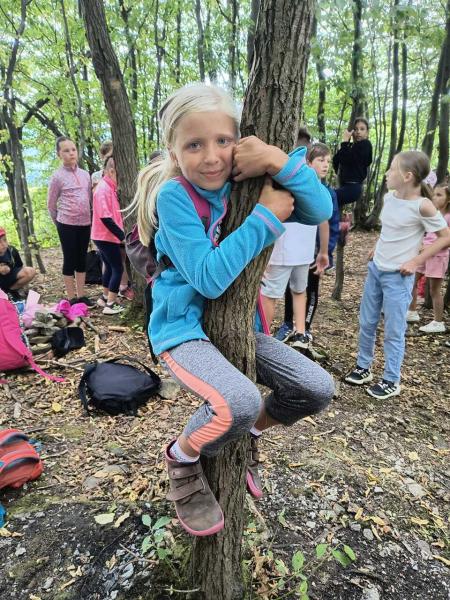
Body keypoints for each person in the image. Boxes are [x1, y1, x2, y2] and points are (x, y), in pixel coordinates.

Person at [130, 83, 334, 537]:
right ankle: (182, 458)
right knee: (237, 403)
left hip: (243, 326)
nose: (211, 157)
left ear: (238, 141)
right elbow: (208, 277)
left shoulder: (244, 181)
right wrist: (266, 217)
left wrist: (277, 162)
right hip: (183, 330)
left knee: (316, 389)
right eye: (194, 145)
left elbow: (320, 208)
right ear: (174, 151)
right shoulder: (175, 197)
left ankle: (251, 436)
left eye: (223, 140)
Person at [345, 151, 450, 399]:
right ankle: (363, 367)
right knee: (367, 321)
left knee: (394, 329)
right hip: (376, 270)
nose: (387, 173)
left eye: (392, 169)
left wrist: (415, 261)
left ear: (407, 176)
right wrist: (377, 246)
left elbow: (445, 237)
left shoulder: (422, 205)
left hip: (398, 277)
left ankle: (391, 379)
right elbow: (389, 229)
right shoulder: (389, 197)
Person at [262, 142, 333, 349]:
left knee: (300, 289)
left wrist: (323, 252)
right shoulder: (291, 184)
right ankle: (263, 337)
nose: (326, 165)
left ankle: (300, 333)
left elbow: (324, 221)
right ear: (307, 162)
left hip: (304, 253)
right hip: (282, 252)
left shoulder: (319, 191)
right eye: (321, 160)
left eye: (328, 161)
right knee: (270, 295)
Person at [47, 136, 94, 306]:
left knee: (82, 259)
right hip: (66, 224)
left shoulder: (85, 175)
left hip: (85, 223)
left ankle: (81, 295)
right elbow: (51, 204)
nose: (71, 153)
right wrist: (59, 223)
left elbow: (89, 199)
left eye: (73, 149)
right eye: (66, 150)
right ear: (59, 154)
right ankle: (71, 297)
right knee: (70, 259)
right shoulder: (57, 177)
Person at [407, 183, 450, 333]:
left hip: (438, 257)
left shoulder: (448, 217)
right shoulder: (435, 214)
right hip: (424, 255)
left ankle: (438, 322)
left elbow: (447, 240)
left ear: (448, 199)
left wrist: (428, 248)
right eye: (434, 194)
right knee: (411, 281)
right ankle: (412, 311)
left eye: (439, 195)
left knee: (434, 290)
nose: (434, 197)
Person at [91, 156, 125, 315]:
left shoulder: (108, 187)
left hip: (104, 236)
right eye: (119, 174)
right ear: (111, 171)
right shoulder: (103, 189)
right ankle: (110, 304)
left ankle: (104, 297)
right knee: (118, 267)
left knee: (110, 266)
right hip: (105, 236)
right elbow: (105, 217)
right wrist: (122, 236)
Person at [332, 117, 372, 207]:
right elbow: (336, 159)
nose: (358, 132)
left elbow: (349, 159)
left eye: (362, 129)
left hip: (353, 188)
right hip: (344, 186)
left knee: (329, 197)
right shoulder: (350, 146)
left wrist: (345, 142)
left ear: (367, 132)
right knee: (331, 202)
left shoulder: (366, 145)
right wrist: (339, 173)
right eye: (356, 129)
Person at [0, 227, 36, 298]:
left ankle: (11, 291)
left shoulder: (12, 250)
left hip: (9, 279)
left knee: (30, 271)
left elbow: (19, 267)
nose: (3, 244)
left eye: (5, 240)